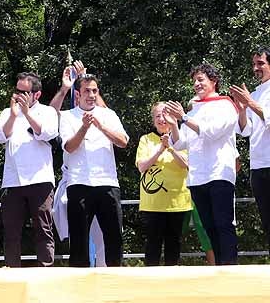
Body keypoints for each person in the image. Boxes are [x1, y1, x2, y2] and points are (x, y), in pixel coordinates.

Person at [166, 63, 240, 265]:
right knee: (209, 226)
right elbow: (182, 142)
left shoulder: (225, 105)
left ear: (213, 81)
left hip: (219, 173)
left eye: (201, 79)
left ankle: (230, 267)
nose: (197, 84)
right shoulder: (194, 109)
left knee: (223, 223)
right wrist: (174, 123)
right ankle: (219, 268)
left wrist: (184, 117)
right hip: (198, 176)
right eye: (194, 81)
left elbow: (211, 132)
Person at [58, 71, 129, 267]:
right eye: (87, 91)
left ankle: (115, 280)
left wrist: (100, 126)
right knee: (79, 240)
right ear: (78, 94)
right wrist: (84, 128)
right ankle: (79, 286)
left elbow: (123, 142)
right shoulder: (67, 117)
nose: (91, 95)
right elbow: (69, 147)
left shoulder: (108, 114)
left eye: (94, 91)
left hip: (107, 183)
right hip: (79, 183)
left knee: (114, 237)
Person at [0, 72, 59, 268]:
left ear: (36, 94)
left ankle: (45, 270)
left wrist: (27, 113)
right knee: (11, 231)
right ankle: (12, 270)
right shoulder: (7, 112)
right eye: (17, 90)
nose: (18, 95)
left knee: (43, 228)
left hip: (40, 179)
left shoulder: (47, 111)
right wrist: (14, 115)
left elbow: (47, 132)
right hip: (13, 181)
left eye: (24, 92)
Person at [135, 102, 191, 266]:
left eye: (165, 115)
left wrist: (171, 148)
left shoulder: (182, 139)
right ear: (153, 120)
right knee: (152, 246)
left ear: (173, 118)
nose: (161, 119)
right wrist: (160, 149)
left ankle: (172, 284)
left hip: (178, 202)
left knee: (174, 246)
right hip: (153, 204)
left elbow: (185, 164)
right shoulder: (145, 139)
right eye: (157, 115)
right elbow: (142, 166)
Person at [229, 46, 270, 251]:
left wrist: (250, 103)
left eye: (260, 63)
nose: (256, 68)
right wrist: (242, 109)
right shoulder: (254, 94)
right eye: (254, 64)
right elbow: (246, 131)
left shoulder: (256, 96)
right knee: (267, 220)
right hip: (258, 164)